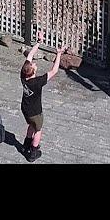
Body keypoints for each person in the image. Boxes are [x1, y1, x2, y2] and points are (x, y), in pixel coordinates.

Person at [19, 31, 66, 162]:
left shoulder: (23, 75)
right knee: (38, 130)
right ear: (32, 71)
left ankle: (25, 145)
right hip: (35, 112)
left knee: (31, 126)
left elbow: (31, 54)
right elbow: (54, 71)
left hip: (25, 109)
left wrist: (39, 41)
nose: (34, 63)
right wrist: (58, 54)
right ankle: (33, 153)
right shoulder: (37, 82)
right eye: (34, 65)